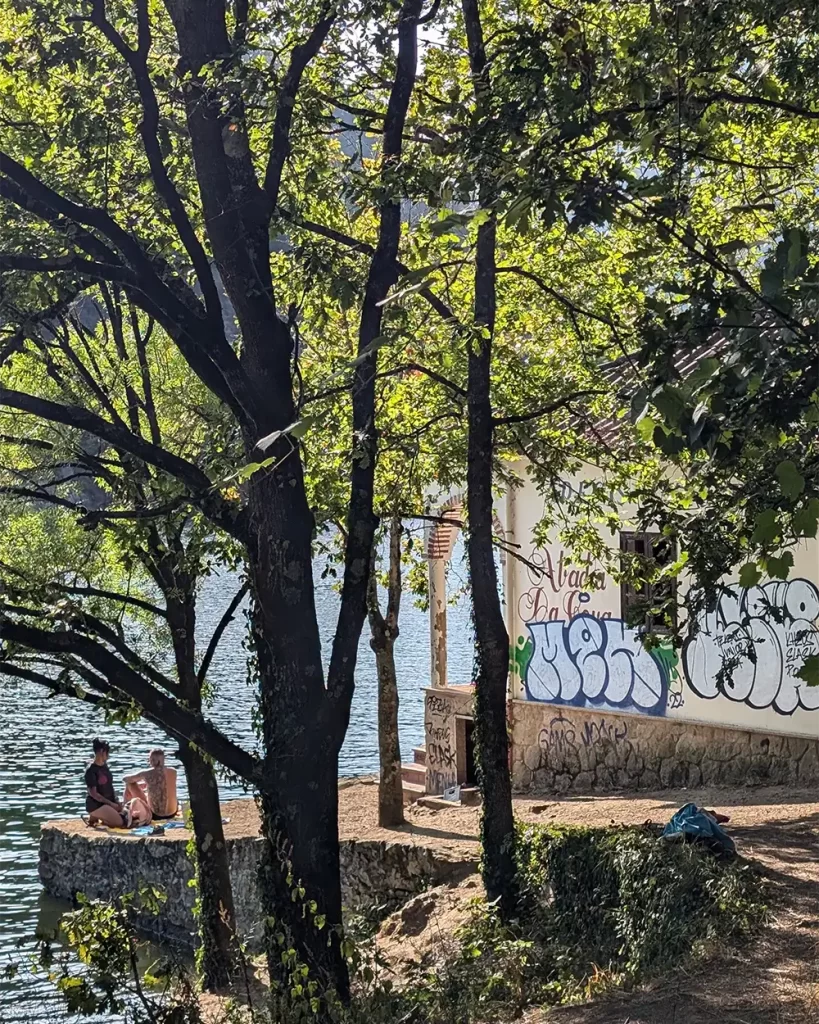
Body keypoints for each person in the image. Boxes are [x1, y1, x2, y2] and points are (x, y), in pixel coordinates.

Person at [84, 738, 151, 828]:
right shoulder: (91, 771)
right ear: (101, 751)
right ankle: (96, 815)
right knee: (121, 823)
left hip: (108, 802)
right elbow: (94, 794)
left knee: (128, 816)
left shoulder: (105, 766)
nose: (108, 755)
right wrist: (111, 804)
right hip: (96, 805)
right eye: (107, 752)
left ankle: (101, 816)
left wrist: (116, 801)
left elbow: (109, 787)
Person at [123, 748, 178, 820]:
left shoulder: (146, 773)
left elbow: (125, 779)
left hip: (155, 815)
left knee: (129, 784)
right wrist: (146, 783)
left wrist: (142, 782)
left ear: (152, 760)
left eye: (149, 760)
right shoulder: (173, 771)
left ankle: (125, 812)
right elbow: (162, 782)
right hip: (172, 813)